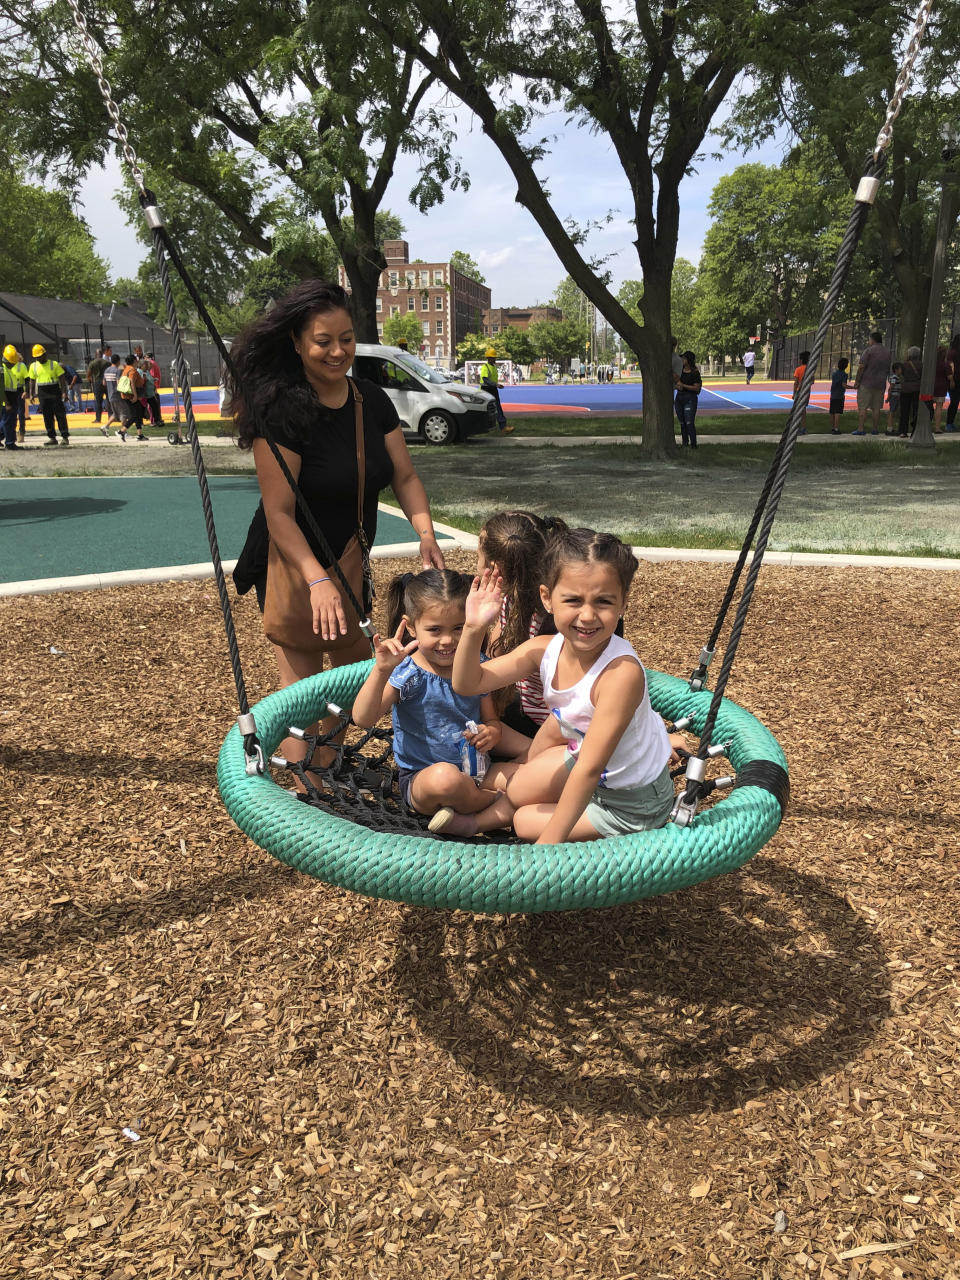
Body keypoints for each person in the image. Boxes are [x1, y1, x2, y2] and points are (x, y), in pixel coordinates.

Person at [230, 279, 445, 778]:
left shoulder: (370, 400)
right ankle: (307, 790)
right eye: (323, 340)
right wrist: (317, 580)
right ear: (297, 342)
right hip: (292, 560)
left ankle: (329, 769)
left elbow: (405, 476)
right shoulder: (281, 411)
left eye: (346, 338)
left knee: (354, 673)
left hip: (348, 555)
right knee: (303, 690)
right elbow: (279, 513)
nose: (337, 351)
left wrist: (425, 531)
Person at [452, 529, 675, 844]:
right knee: (517, 788)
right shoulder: (544, 649)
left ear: (623, 602)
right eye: (573, 600)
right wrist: (474, 628)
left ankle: (486, 821)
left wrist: (545, 853)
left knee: (524, 821)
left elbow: (588, 770)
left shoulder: (620, 675)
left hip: (631, 802)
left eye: (604, 601)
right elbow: (467, 683)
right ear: (547, 598)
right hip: (589, 762)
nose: (587, 615)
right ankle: (473, 823)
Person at [351, 569, 521, 834]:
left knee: (529, 779)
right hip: (425, 780)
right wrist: (381, 670)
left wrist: (492, 732)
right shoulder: (409, 674)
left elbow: (491, 720)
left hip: (478, 772)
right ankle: (493, 802)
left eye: (458, 628)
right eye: (434, 630)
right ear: (410, 626)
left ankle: (470, 810)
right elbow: (363, 718)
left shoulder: (475, 666)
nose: (447, 640)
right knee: (446, 780)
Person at [476, 510, 567, 737]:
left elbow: (473, 680)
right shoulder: (518, 599)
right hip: (540, 718)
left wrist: (473, 627)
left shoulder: (547, 627)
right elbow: (494, 651)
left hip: (551, 730)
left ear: (495, 567)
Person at [27, 344, 70, 446]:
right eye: (37, 357)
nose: (39, 358)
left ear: (45, 354)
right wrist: (31, 394)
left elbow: (62, 379)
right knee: (47, 416)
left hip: (55, 391)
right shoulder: (33, 366)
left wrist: (64, 392)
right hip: (42, 393)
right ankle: (52, 437)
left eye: (40, 356)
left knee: (60, 415)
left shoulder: (54, 364)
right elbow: (32, 381)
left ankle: (64, 437)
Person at [853, 331, 892, 435]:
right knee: (876, 408)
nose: (868, 341)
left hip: (866, 383)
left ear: (872, 340)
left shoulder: (868, 351)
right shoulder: (887, 352)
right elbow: (888, 368)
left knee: (863, 407)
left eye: (869, 339)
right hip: (880, 384)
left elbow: (861, 367)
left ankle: (861, 429)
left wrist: (857, 381)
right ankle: (875, 429)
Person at [479, 347, 513, 434]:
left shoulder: (493, 367)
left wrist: (496, 385)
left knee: (497, 408)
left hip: (493, 389)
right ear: (489, 358)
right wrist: (496, 385)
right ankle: (483, 427)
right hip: (486, 390)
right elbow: (485, 379)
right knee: (487, 409)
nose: (495, 359)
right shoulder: (485, 367)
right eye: (493, 357)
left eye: (495, 357)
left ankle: (503, 427)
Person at [117, 354, 148, 440]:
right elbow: (132, 383)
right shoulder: (132, 370)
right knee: (135, 415)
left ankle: (140, 435)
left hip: (125, 394)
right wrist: (135, 395)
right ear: (134, 361)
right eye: (136, 360)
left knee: (138, 414)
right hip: (130, 395)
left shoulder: (126, 369)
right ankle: (122, 431)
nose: (137, 361)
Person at [675, 350, 702, 448]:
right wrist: (678, 386)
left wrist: (684, 385)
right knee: (682, 422)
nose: (682, 360)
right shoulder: (680, 370)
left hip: (690, 399)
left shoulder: (694, 372)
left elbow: (696, 388)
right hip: (679, 398)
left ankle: (693, 445)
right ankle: (684, 443)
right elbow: (677, 382)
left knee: (689, 422)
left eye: (684, 358)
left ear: (689, 360)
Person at [2, 345, 24, 450]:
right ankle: (10, 443)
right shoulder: (2, 370)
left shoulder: (8, 369)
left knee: (10, 422)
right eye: (12, 362)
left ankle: (10, 442)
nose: (14, 364)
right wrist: (6, 403)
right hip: (6, 399)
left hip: (12, 398)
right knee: (7, 422)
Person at [898, 346, 922, 437]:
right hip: (917, 389)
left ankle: (903, 431)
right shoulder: (922, 364)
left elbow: (901, 375)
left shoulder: (904, 365)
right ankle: (915, 431)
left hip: (905, 389)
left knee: (904, 411)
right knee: (916, 410)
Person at [925, 346, 950, 433]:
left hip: (930, 386)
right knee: (939, 407)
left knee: (928, 406)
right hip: (941, 387)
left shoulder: (931, 364)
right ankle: (937, 427)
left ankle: (926, 426)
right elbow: (949, 376)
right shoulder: (945, 364)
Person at [87, 348, 110, 429]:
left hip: (97, 382)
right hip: (106, 382)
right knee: (108, 400)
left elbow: (89, 374)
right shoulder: (107, 362)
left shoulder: (92, 363)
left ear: (96, 354)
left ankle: (98, 419)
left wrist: (90, 382)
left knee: (98, 401)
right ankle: (110, 417)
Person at [12, 351, 29, 441]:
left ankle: (21, 432)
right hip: (9, 391)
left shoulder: (22, 366)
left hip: (19, 391)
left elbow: (27, 379)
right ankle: (12, 433)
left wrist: (26, 391)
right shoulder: (6, 365)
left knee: (21, 413)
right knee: (11, 413)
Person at [829, 357, 849, 434]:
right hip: (839, 395)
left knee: (832, 412)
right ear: (846, 366)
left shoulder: (834, 374)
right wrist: (853, 387)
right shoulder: (844, 375)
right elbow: (844, 385)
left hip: (833, 395)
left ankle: (832, 428)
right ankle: (836, 429)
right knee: (837, 412)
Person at [140, 358, 163, 426]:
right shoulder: (139, 371)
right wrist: (144, 380)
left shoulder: (147, 371)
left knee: (155, 406)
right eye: (145, 365)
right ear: (141, 365)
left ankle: (157, 421)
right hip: (144, 394)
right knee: (142, 408)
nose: (147, 366)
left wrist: (153, 380)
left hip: (150, 393)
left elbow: (150, 378)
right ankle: (140, 422)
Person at [792, 350, 811, 435]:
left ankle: (797, 427)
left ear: (801, 360)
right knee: (803, 410)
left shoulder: (798, 369)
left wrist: (794, 393)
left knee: (797, 410)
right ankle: (804, 428)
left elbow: (796, 382)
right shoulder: (810, 369)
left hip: (799, 392)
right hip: (807, 391)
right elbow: (812, 381)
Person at [103, 353, 123, 431]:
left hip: (110, 394)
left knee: (116, 413)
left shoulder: (106, 370)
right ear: (118, 361)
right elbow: (118, 383)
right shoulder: (117, 371)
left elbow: (104, 383)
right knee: (123, 413)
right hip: (117, 394)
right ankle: (123, 431)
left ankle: (106, 426)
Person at [946, 335, 959, 431]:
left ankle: (950, 423)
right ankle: (949, 423)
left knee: (955, 402)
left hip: (956, 379)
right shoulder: (952, 353)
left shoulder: (952, 352)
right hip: (955, 380)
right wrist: (952, 380)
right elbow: (950, 366)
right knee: (954, 401)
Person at [885, 362, 902, 436]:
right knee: (892, 412)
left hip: (896, 396)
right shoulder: (894, 377)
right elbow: (890, 388)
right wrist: (888, 397)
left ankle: (890, 428)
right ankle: (889, 428)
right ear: (896, 369)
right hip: (894, 396)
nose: (902, 371)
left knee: (893, 412)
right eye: (901, 369)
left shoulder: (896, 377)